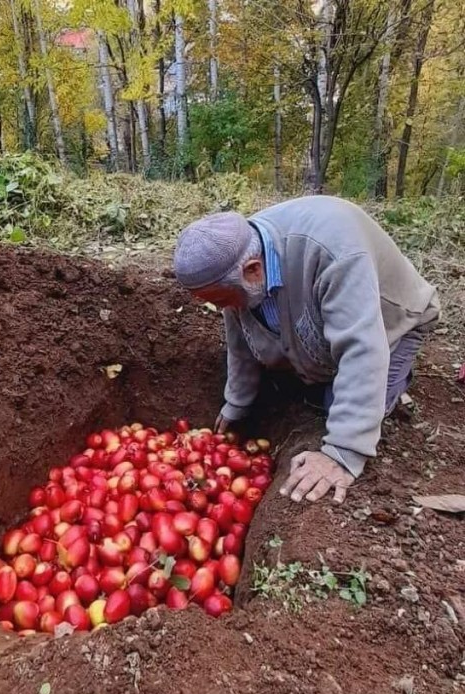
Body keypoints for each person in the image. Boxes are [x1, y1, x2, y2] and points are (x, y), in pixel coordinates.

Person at [173, 196, 440, 505]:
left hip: (392, 321)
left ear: (253, 269)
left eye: (221, 301)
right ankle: (318, 371)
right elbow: (239, 332)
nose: (223, 310)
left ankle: (393, 377)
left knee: (332, 406)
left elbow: (361, 348)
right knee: (292, 378)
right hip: (327, 320)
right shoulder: (238, 257)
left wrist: (342, 452)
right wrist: (237, 400)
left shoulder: (332, 252)